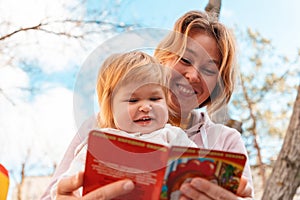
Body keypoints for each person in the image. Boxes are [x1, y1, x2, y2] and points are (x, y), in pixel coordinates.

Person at [41, 10, 254, 200]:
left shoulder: (225, 141)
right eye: (185, 60)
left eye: (209, 70)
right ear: (163, 59)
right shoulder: (100, 126)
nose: (192, 75)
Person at [49, 51, 197, 199]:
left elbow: (198, 167)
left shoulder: (173, 136)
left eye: (155, 98)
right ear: (110, 108)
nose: (146, 107)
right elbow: (65, 185)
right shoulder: (101, 141)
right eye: (133, 100)